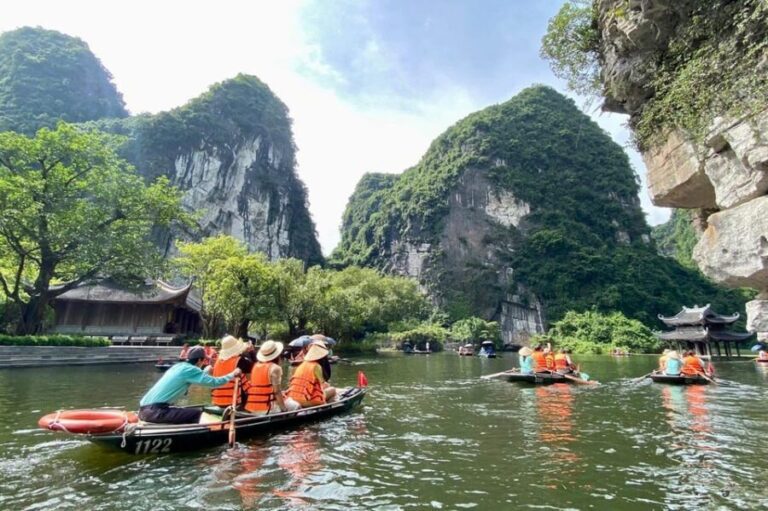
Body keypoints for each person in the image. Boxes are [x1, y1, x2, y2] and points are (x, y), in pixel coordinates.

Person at [139, 346, 241, 424]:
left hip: (143, 410)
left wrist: (206, 370)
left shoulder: (179, 366)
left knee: (185, 411)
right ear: (200, 360)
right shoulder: (191, 370)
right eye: (204, 360)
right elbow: (215, 383)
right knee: (197, 414)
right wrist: (233, 374)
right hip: (156, 412)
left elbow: (193, 377)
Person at [244, 340, 300, 415]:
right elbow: (277, 392)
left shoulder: (255, 366)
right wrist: (284, 409)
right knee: (296, 406)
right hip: (267, 408)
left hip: (252, 407)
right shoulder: (275, 368)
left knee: (287, 399)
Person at [210, 335, 251, 408]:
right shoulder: (241, 361)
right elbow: (250, 380)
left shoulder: (218, 361)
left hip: (217, 400)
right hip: (235, 402)